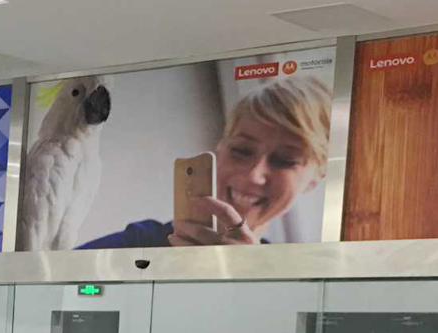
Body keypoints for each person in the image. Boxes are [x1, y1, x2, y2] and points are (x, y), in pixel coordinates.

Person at [79, 76, 332, 249]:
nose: (253, 175)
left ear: (316, 178)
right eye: (241, 150)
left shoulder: (293, 278)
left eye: (285, 160)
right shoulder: (134, 245)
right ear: (220, 148)